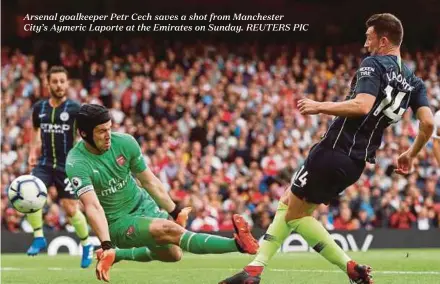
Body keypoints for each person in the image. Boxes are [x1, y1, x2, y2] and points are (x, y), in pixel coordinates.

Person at [220, 13, 434, 284]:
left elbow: (362, 105)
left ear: (383, 40)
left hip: (334, 150)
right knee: (289, 201)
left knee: (295, 215)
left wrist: (319, 106)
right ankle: (254, 269)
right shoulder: (414, 81)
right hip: (356, 163)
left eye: (369, 38)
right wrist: (412, 153)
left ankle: (348, 267)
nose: (365, 43)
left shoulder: (374, 64)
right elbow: (427, 124)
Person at [65, 104, 259, 282]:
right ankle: (238, 244)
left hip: (143, 204)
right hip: (118, 222)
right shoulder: (77, 162)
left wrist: (175, 212)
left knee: (173, 255)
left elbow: (149, 181)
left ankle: (119, 255)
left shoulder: (124, 143)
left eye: (109, 128)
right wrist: (107, 244)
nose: (108, 135)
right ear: (84, 134)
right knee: (170, 231)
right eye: (101, 131)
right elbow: (92, 206)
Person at [27, 66, 93, 268]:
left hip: (67, 165)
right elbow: (35, 130)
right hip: (45, 163)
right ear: (48, 84)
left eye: (62, 81)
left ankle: (86, 244)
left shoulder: (74, 109)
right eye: (54, 81)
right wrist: (32, 151)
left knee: (71, 209)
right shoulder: (39, 108)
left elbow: (86, 134)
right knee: (31, 194)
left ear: (67, 83)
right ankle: (38, 237)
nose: (59, 85)